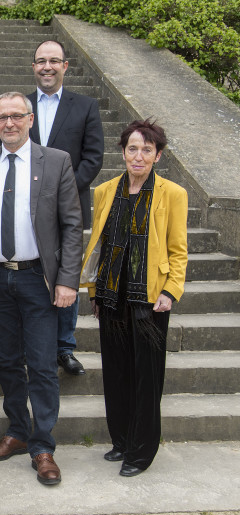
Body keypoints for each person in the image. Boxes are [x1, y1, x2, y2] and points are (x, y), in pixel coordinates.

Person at [0, 92, 83, 486]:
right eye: (2, 118)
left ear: (30, 119)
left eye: (17, 116)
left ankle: (43, 446)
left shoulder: (56, 161)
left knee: (43, 365)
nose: (9, 123)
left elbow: (71, 226)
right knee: (8, 361)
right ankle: (17, 431)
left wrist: (68, 280)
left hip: (39, 280)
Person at [81, 119, 187, 477]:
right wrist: (94, 289)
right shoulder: (105, 191)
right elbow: (100, 245)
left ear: (158, 155)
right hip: (112, 296)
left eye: (147, 150)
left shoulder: (172, 193)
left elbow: (178, 250)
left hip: (150, 301)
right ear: (123, 152)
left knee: (147, 377)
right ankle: (121, 440)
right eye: (132, 149)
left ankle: (141, 452)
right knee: (116, 372)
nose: (138, 156)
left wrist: (171, 291)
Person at [27, 40, 105, 377]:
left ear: (65, 66)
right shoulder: (21, 106)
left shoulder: (85, 106)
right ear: (33, 67)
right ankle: (31, 344)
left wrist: (63, 191)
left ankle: (64, 347)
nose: (47, 67)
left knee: (66, 274)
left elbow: (93, 157)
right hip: (25, 209)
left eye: (54, 61)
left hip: (68, 207)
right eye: (41, 61)